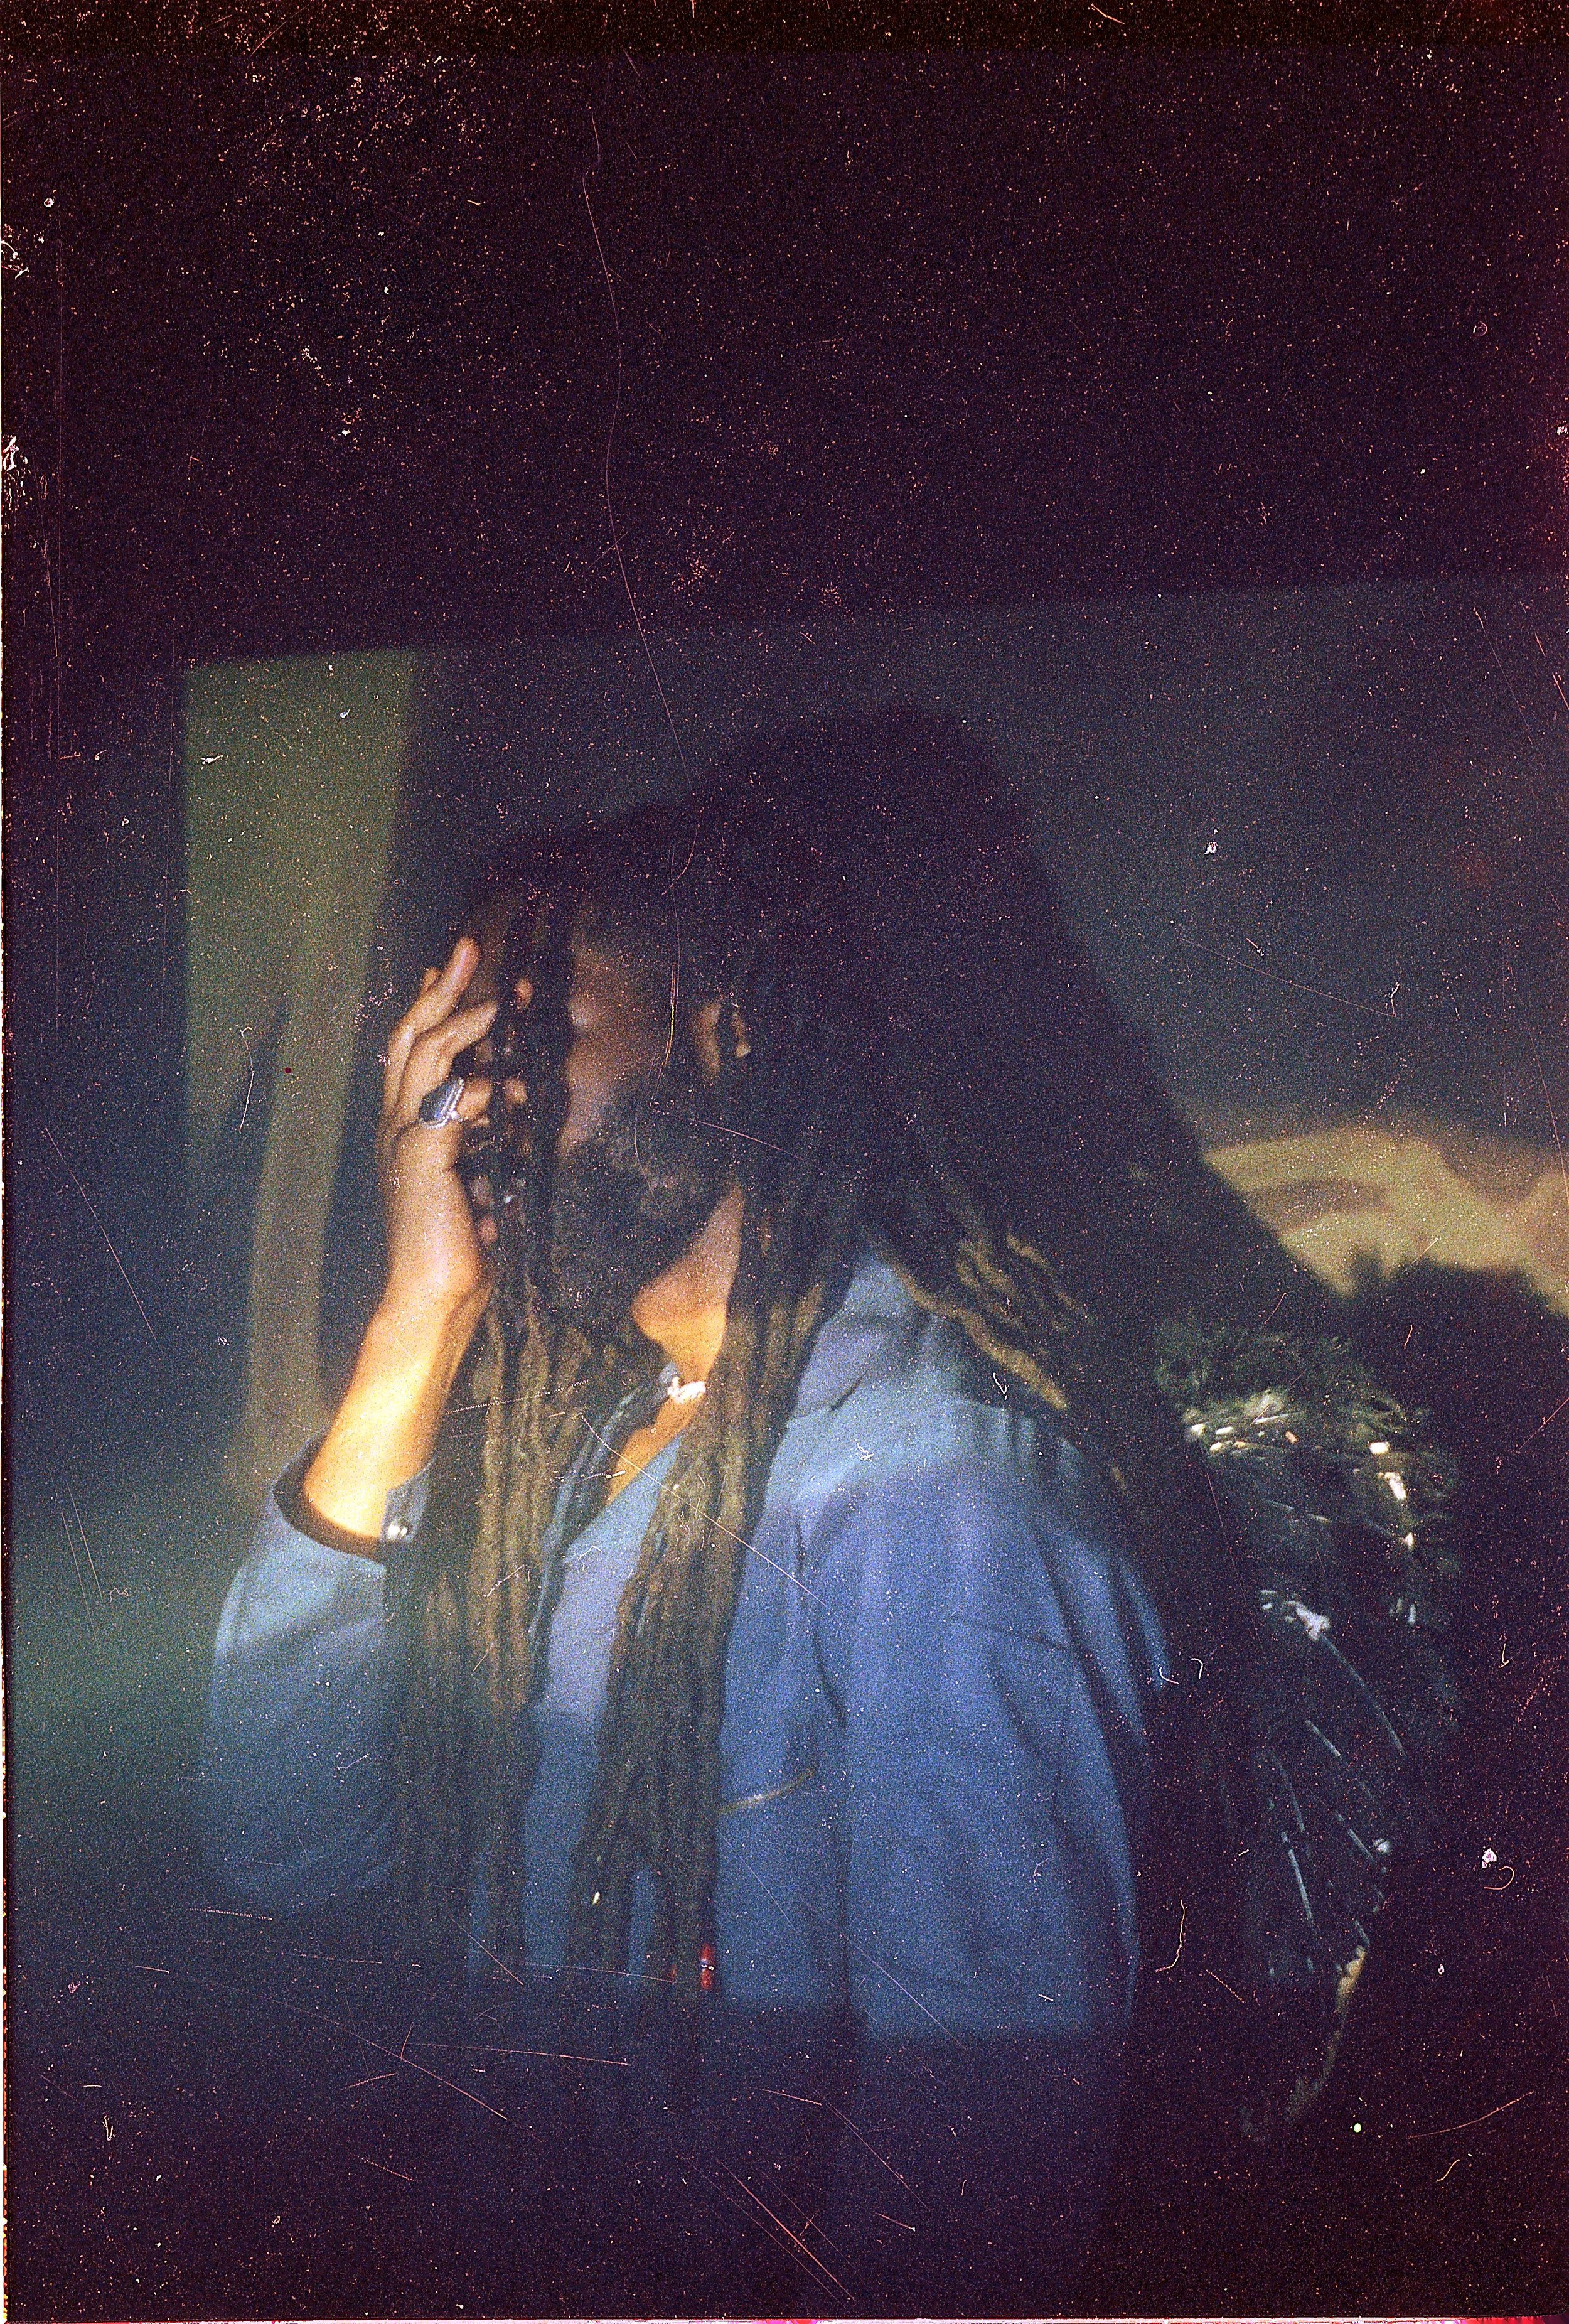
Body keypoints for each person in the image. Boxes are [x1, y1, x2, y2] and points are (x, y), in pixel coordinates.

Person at [202, 712, 1290, 2313]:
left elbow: (982, 2161)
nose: (473, 1107)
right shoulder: (566, 1450)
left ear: (719, 1030)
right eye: (447, 1063)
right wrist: (410, 1328)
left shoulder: (936, 1490)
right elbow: (282, 1841)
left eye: (525, 1034)